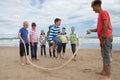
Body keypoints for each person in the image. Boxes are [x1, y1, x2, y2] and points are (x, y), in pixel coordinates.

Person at [87, 0, 113, 80]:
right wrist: (91, 30)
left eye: (93, 7)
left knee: (106, 56)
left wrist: (103, 39)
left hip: (106, 37)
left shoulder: (104, 12)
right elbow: (99, 29)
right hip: (103, 37)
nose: (93, 9)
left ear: (97, 5)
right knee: (104, 55)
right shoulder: (100, 15)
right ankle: (104, 71)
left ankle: (108, 76)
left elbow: (106, 25)